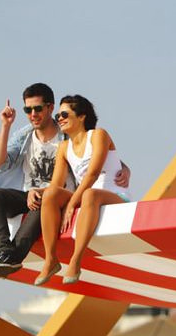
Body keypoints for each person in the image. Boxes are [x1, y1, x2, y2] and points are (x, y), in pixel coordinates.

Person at [0, 84, 130, 278]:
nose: (32, 114)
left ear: (50, 107)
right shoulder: (27, 135)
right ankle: (3, 252)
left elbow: (95, 156)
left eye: (37, 109)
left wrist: (125, 168)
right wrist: (5, 126)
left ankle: (12, 259)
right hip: (33, 194)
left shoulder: (66, 133)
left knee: (46, 201)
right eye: (28, 110)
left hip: (61, 198)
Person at [37, 94, 130, 286]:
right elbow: (56, 184)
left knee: (89, 193)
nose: (59, 119)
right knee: (51, 194)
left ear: (81, 116)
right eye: (57, 116)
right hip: (86, 197)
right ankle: (50, 259)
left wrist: (71, 204)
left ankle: (75, 260)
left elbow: (93, 173)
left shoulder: (98, 135)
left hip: (114, 195)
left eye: (64, 114)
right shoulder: (64, 147)